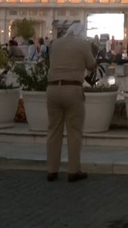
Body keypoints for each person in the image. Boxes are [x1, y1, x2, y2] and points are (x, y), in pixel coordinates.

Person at [46, 23, 97, 182]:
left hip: (53, 89)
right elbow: (91, 65)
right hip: (72, 90)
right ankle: (73, 171)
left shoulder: (55, 44)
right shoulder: (83, 44)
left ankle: (51, 170)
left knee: (54, 131)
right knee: (74, 132)